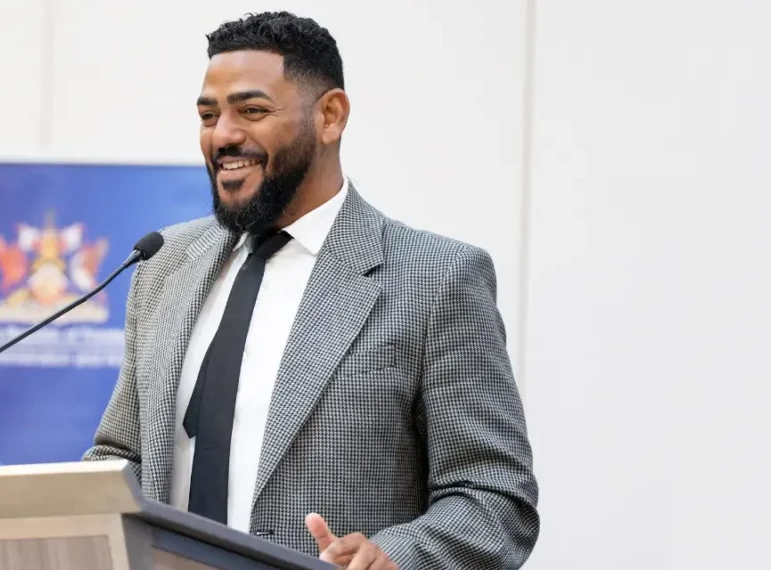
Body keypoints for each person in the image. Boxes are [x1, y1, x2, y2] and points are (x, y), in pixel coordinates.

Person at [83, 11, 539, 570]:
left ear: (330, 116)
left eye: (251, 110)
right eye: (209, 115)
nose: (223, 134)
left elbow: (494, 499)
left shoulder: (436, 279)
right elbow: (122, 455)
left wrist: (394, 555)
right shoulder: (164, 264)